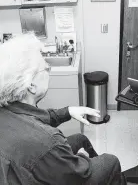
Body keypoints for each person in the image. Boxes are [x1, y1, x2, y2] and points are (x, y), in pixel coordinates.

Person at [0, 33, 126, 185]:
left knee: (81, 139)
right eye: (45, 68)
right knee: (111, 161)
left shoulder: (9, 109)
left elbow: (34, 119)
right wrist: (80, 163)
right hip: (32, 168)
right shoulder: (49, 141)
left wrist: (68, 111)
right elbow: (45, 142)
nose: (48, 69)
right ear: (31, 86)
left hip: (22, 165)